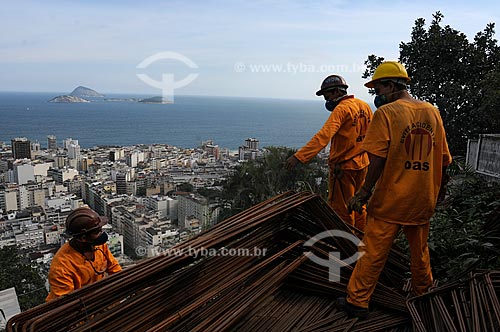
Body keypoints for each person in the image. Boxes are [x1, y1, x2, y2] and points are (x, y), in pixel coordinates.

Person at [337, 61, 452, 318]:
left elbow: (376, 159)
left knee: (372, 252)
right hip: (422, 199)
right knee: (420, 253)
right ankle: (424, 296)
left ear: (390, 85)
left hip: (391, 200)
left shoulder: (387, 114)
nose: (378, 95)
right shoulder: (432, 112)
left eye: (378, 88)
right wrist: (439, 191)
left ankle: (357, 302)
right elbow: (444, 159)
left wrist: (364, 192)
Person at [285, 74, 373, 231]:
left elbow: (323, 136)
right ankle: (362, 239)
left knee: (342, 209)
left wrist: (299, 157)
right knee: (359, 205)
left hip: (344, 168)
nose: (326, 100)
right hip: (363, 164)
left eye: (326, 95)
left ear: (335, 92)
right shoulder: (364, 106)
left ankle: (347, 244)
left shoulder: (341, 109)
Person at [46, 207, 122, 301]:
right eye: (97, 232)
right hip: (81, 309)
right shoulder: (61, 266)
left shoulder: (99, 246)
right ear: (83, 238)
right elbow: (65, 302)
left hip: (100, 299)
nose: (101, 233)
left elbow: (115, 269)